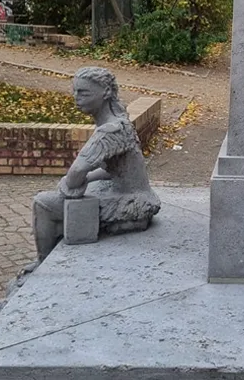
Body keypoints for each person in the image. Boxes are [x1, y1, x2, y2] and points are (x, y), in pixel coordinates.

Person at [31, 66, 160, 262]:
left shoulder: (110, 131)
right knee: (87, 189)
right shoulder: (120, 122)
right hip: (135, 194)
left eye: (83, 92)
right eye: (75, 91)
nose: (76, 97)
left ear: (106, 92)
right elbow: (116, 171)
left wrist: (68, 185)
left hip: (131, 204)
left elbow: (75, 174)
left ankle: (42, 264)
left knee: (43, 203)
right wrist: (88, 179)